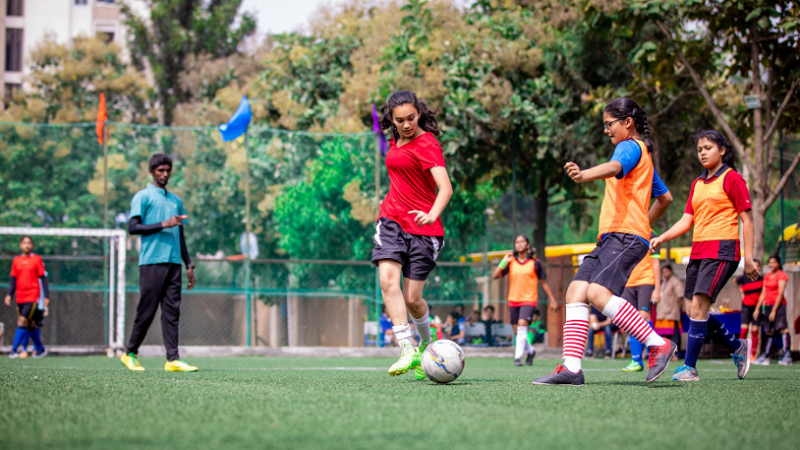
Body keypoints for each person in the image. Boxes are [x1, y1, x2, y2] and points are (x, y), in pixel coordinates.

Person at [533, 97, 675, 386]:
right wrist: (645, 222)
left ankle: (658, 344)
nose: (606, 130)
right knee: (575, 291)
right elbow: (666, 198)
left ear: (628, 123)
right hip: (616, 235)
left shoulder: (630, 147)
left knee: (597, 294)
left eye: (609, 124)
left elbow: (613, 167)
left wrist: (583, 175)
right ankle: (571, 368)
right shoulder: (643, 158)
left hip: (626, 235)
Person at [651, 130, 758, 381]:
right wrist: (662, 237)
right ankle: (737, 347)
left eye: (708, 148)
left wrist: (750, 258)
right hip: (698, 252)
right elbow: (686, 220)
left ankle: (690, 368)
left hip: (722, 251)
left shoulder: (732, 178)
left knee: (699, 307)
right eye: (699, 149)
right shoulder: (697, 184)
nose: (702, 153)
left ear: (721, 150)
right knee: (691, 310)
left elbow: (748, 220)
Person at [373, 90, 453, 379]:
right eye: (400, 120)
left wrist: (432, 213)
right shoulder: (394, 139)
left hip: (424, 228)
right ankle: (406, 349)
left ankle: (426, 346)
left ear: (419, 113)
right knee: (386, 280)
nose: (406, 125)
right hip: (391, 220)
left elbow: (445, 188)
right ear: (392, 120)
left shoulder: (428, 144)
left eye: (411, 118)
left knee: (412, 299)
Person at [120, 153, 198, 372]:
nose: (165, 174)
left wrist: (188, 264)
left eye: (168, 170)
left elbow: (180, 236)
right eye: (160, 170)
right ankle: (130, 353)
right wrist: (164, 223)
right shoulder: (142, 197)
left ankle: (172, 359)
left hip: (174, 264)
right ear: (152, 172)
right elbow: (133, 227)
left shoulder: (176, 201)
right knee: (147, 310)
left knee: (173, 312)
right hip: (152, 262)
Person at [493, 235, 557, 366]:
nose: (519, 244)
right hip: (513, 300)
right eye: (517, 242)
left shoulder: (535, 263)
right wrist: (504, 261)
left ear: (528, 245)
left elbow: (544, 283)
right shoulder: (511, 262)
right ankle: (531, 351)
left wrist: (552, 299)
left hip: (529, 299)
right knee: (517, 332)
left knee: (522, 328)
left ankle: (517, 358)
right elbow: (495, 276)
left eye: (522, 241)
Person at [620, 237, 662, 373]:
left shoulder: (652, 235)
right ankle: (636, 360)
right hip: (628, 283)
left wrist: (657, 289)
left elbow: (656, 263)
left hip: (645, 281)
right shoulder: (626, 234)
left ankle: (654, 356)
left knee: (643, 316)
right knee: (631, 320)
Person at [4, 236, 50, 358]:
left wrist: (46, 296)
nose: (27, 245)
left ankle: (13, 350)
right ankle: (40, 349)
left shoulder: (36, 259)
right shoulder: (16, 261)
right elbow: (13, 280)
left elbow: (43, 278)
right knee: (30, 324)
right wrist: (9, 294)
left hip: (33, 296)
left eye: (29, 243)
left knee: (22, 321)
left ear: (32, 245)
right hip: (20, 296)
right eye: (24, 243)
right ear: (20, 245)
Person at [753, 256, 791, 366]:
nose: (771, 265)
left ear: (778, 264)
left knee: (783, 328)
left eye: (774, 263)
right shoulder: (767, 276)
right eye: (770, 263)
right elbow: (763, 293)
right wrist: (757, 308)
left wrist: (774, 310)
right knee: (769, 330)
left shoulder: (782, 275)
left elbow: (780, 294)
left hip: (779, 306)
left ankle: (787, 355)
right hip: (768, 305)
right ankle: (766, 356)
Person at [735, 260, 763, 358]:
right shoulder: (743, 278)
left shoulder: (761, 279)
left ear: (759, 268)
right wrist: (741, 291)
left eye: (757, 266)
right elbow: (735, 281)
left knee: (755, 331)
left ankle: (753, 355)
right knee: (744, 330)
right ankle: (741, 353)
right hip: (746, 307)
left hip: (757, 308)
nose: (755, 268)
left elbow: (763, 294)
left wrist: (758, 309)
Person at [656, 265, 684, 361]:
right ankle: (666, 354)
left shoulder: (675, 282)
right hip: (662, 313)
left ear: (671, 271)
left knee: (674, 334)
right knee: (664, 335)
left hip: (672, 312)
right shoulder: (663, 282)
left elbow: (680, 297)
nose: (665, 274)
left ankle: (676, 354)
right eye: (663, 272)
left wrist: (678, 310)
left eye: (666, 272)